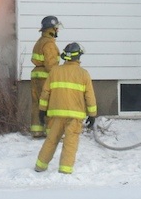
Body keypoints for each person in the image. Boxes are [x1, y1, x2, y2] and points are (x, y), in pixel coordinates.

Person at [34, 42, 97, 174]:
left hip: (56, 114)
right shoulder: (84, 74)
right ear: (78, 56)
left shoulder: (55, 71)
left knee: (51, 140)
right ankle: (65, 169)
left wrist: (42, 110)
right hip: (75, 116)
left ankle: (40, 166)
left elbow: (45, 92)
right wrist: (92, 115)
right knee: (70, 142)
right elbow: (90, 96)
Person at [29, 16, 61, 137]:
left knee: (37, 104)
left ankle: (37, 130)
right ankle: (51, 131)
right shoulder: (49, 44)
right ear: (52, 29)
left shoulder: (40, 41)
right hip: (45, 77)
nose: (58, 30)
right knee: (49, 103)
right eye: (56, 27)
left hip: (36, 76)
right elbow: (51, 64)